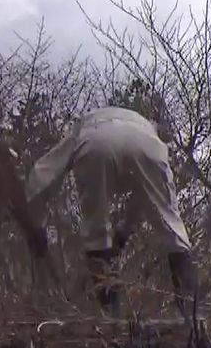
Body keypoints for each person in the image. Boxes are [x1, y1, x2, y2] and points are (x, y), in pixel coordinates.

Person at [24, 106, 198, 319]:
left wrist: (37, 223)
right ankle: (191, 316)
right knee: (174, 231)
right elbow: (144, 201)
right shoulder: (146, 128)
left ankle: (111, 318)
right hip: (148, 146)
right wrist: (124, 233)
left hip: (96, 142)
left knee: (97, 235)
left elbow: (41, 175)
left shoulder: (82, 126)